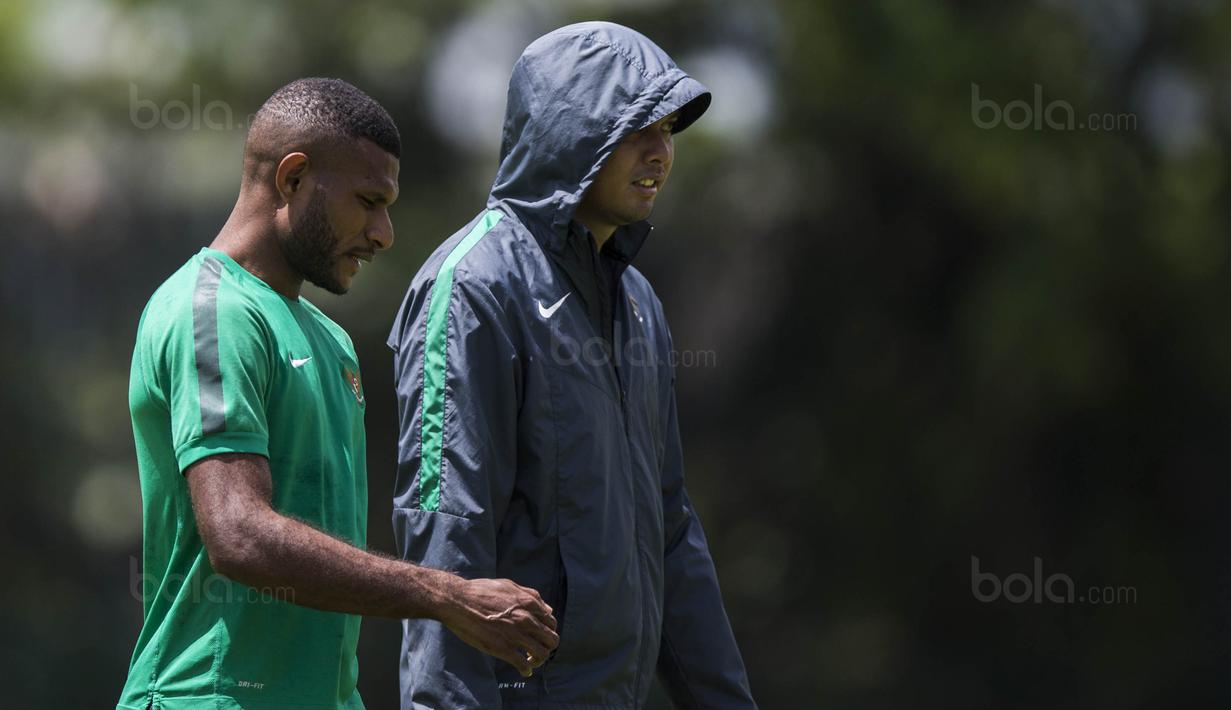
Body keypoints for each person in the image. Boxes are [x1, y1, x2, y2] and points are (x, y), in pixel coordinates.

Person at [118, 77, 557, 710]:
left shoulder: (330, 339)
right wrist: (447, 596)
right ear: (292, 179)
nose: (384, 233)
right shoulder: (213, 311)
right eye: (369, 200)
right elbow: (239, 534)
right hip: (209, 698)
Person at [388, 23, 756, 708]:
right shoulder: (474, 287)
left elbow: (671, 533)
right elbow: (446, 535)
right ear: (570, 133)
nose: (661, 153)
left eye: (670, 129)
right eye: (639, 128)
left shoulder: (638, 301)